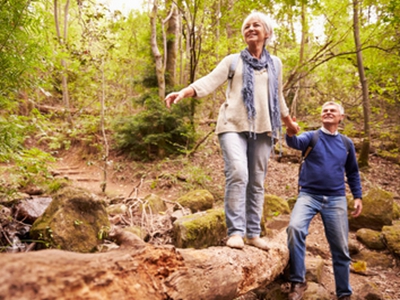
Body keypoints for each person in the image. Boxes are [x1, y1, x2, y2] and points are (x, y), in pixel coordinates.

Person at [164, 11, 299, 250]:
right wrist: (184, 92)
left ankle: (253, 233)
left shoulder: (275, 63)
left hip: (264, 129)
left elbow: (277, 98)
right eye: (247, 26)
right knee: (238, 173)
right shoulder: (233, 61)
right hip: (232, 126)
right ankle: (236, 231)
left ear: (267, 33)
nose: (250, 28)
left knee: (256, 182)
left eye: (256, 25)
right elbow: (209, 81)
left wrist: (289, 124)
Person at [285, 101, 363, 300]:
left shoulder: (346, 144)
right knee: (295, 228)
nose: (328, 112)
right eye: (325, 111)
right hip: (308, 195)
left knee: (340, 247)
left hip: (336, 199)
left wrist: (357, 196)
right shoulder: (312, 136)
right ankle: (297, 281)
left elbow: (353, 172)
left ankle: (344, 293)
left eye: (332, 110)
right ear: (321, 116)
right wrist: (291, 131)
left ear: (340, 118)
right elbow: (294, 142)